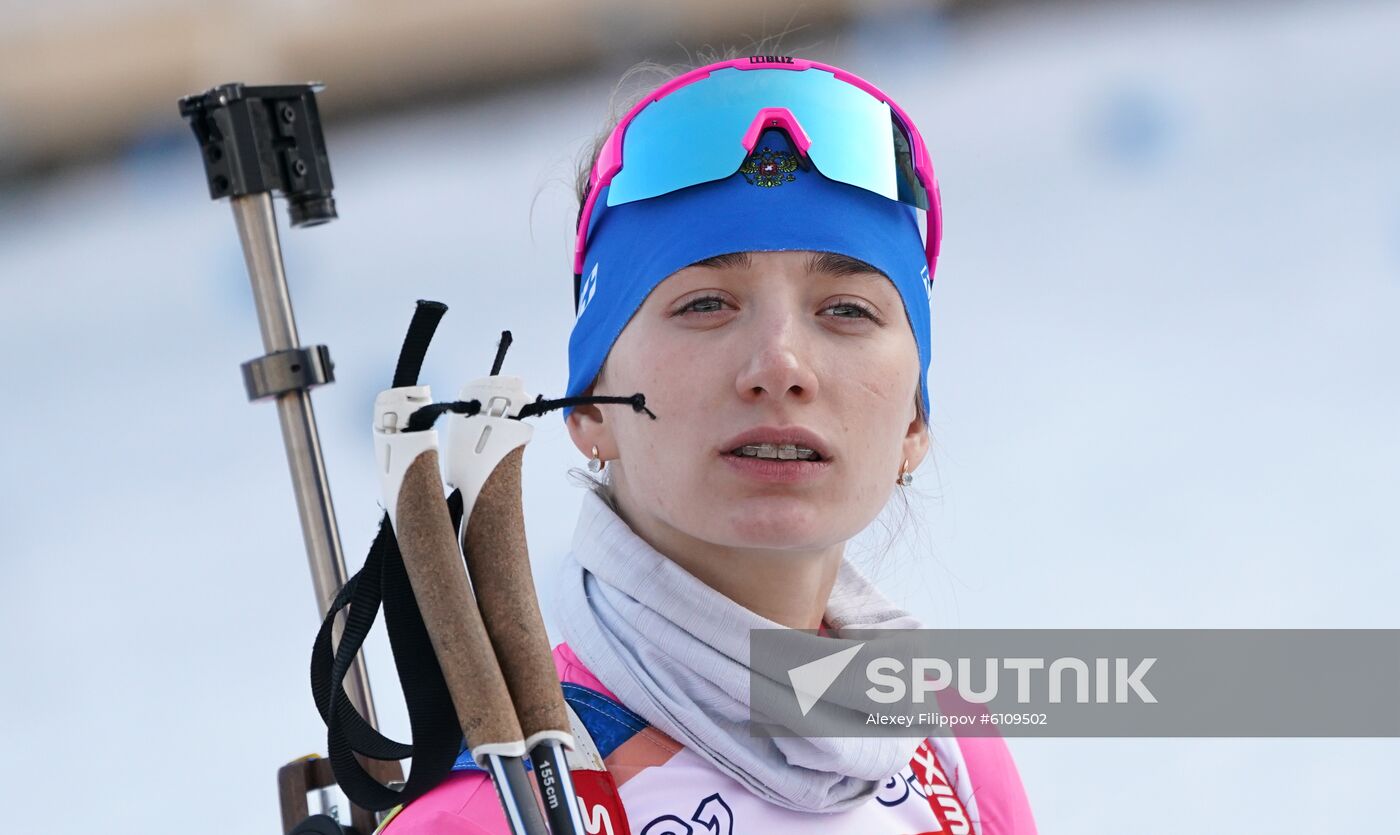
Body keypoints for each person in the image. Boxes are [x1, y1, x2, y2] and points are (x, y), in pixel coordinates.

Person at [376, 53, 1037, 835]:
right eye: (706, 303)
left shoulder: (945, 745)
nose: (780, 367)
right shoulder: (494, 812)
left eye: (848, 309)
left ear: (914, 425)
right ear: (590, 407)